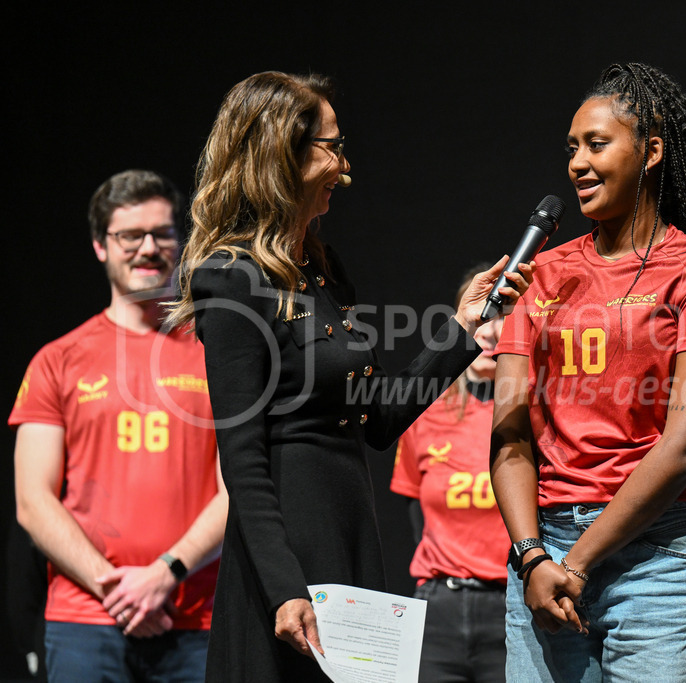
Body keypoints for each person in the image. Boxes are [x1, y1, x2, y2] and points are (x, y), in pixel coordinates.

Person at [166, 71, 532, 682]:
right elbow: (243, 459)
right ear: (282, 151)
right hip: (288, 553)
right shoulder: (231, 278)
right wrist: (284, 588)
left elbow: (379, 419)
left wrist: (463, 331)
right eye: (332, 147)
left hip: (349, 536)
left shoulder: (322, 269)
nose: (345, 166)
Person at [490, 62, 686, 681]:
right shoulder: (543, 274)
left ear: (652, 151)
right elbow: (509, 435)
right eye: (572, 148)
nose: (577, 163)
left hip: (665, 562)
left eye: (597, 145)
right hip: (542, 557)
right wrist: (532, 557)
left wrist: (574, 564)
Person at [10, 169, 227, 682]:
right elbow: (32, 501)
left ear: (182, 242)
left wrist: (164, 575)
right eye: (130, 235)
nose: (147, 247)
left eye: (162, 233)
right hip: (86, 617)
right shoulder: (57, 360)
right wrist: (118, 589)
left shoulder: (219, 356)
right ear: (100, 245)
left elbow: (238, 489)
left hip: (198, 616)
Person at [391, 265, 510, 683]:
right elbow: (414, 514)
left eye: (504, 319)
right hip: (436, 610)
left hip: (512, 608)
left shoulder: (537, 420)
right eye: (482, 317)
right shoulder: (427, 415)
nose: (489, 334)